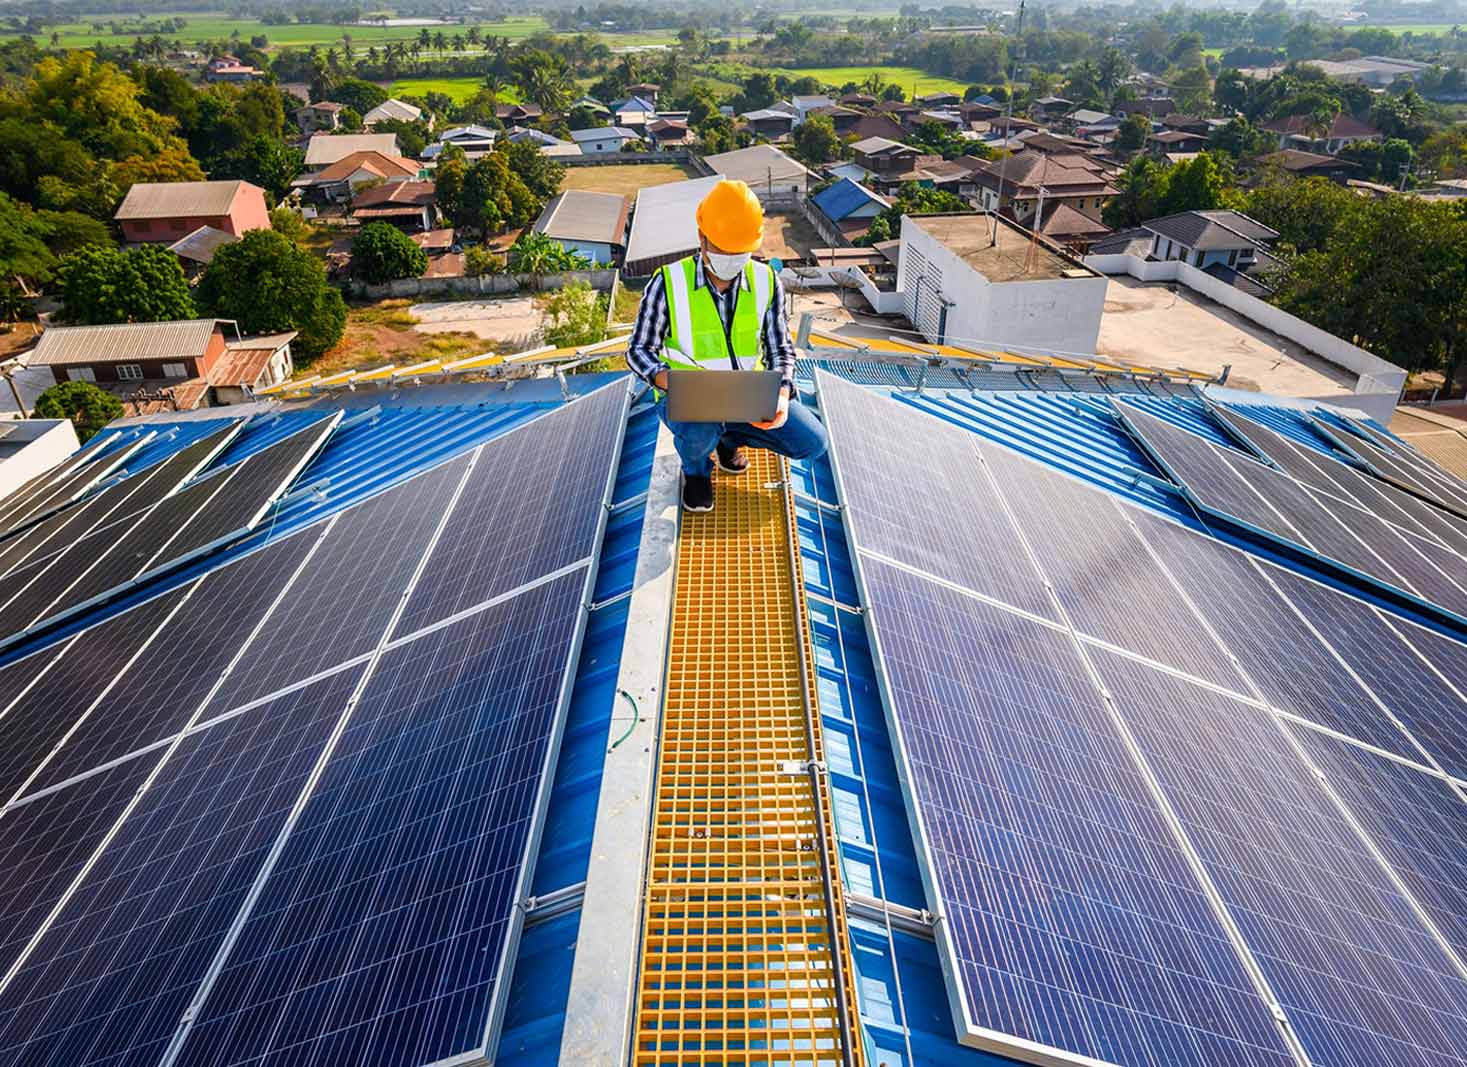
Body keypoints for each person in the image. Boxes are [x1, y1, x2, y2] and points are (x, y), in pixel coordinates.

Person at [626, 178, 828, 513]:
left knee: (812, 443)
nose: (731, 259)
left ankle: (728, 439)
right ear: (701, 238)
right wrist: (666, 380)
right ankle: (696, 473)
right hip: (689, 398)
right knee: (700, 430)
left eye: (739, 251)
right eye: (722, 248)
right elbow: (638, 351)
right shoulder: (668, 283)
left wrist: (781, 392)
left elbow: (780, 347)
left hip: (749, 394)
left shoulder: (766, 280)